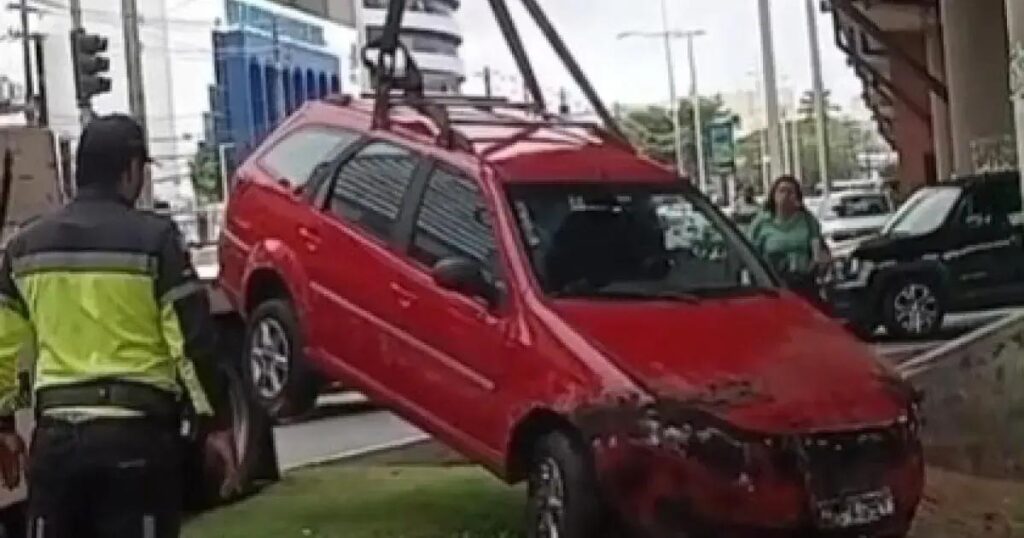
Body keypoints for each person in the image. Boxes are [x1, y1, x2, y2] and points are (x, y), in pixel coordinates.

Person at [0, 114, 238, 538]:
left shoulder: (23, 250)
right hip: (136, 441)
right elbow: (189, 342)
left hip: (56, 444)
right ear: (130, 170)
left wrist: (4, 426)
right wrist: (215, 424)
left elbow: (3, 347)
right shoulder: (155, 240)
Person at [748, 175, 830, 304]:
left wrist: (819, 262)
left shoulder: (807, 220)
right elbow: (750, 253)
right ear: (773, 195)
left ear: (797, 197)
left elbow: (818, 249)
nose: (785, 195)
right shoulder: (762, 223)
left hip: (804, 282)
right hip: (773, 284)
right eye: (781, 191)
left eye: (790, 191)